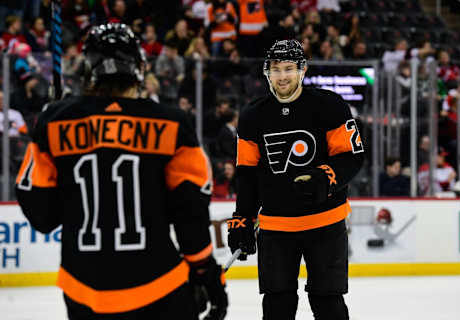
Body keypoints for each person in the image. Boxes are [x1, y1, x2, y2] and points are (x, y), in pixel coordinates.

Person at [15, 23, 227, 320]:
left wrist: (54, 124)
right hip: (159, 287)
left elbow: (42, 215)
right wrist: (207, 274)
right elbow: (190, 213)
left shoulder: (54, 121)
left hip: (82, 290)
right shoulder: (172, 122)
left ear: (87, 69)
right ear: (139, 67)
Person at [227, 39, 364, 320]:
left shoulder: (329, 105)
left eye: (289, 68)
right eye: (276, 69)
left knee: (328, 304)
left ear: (302, 70)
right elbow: (247, 175)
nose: (282, 76)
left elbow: (351, 156)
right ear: (267, 73)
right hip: (276, 227)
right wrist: (242, 217)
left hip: (326, 223)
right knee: (277, 305)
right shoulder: (253, 116)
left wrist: (325, 178)